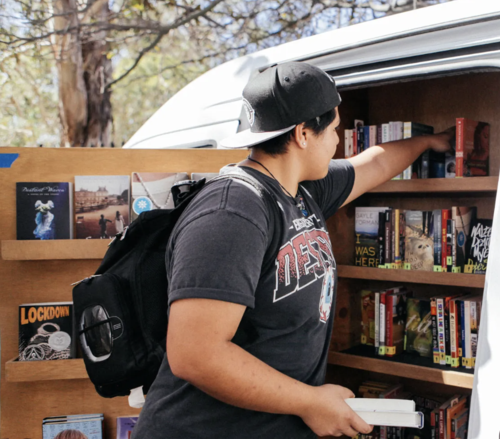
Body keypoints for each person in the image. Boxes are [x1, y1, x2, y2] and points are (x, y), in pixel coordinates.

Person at [132, 62, 452, 439]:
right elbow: (195, 354)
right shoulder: (232, 211)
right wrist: (311, 402)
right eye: (334, 130)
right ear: (303, 133)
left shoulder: (301, 190)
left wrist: (430, 142)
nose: (337, 141)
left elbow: (376, 162)